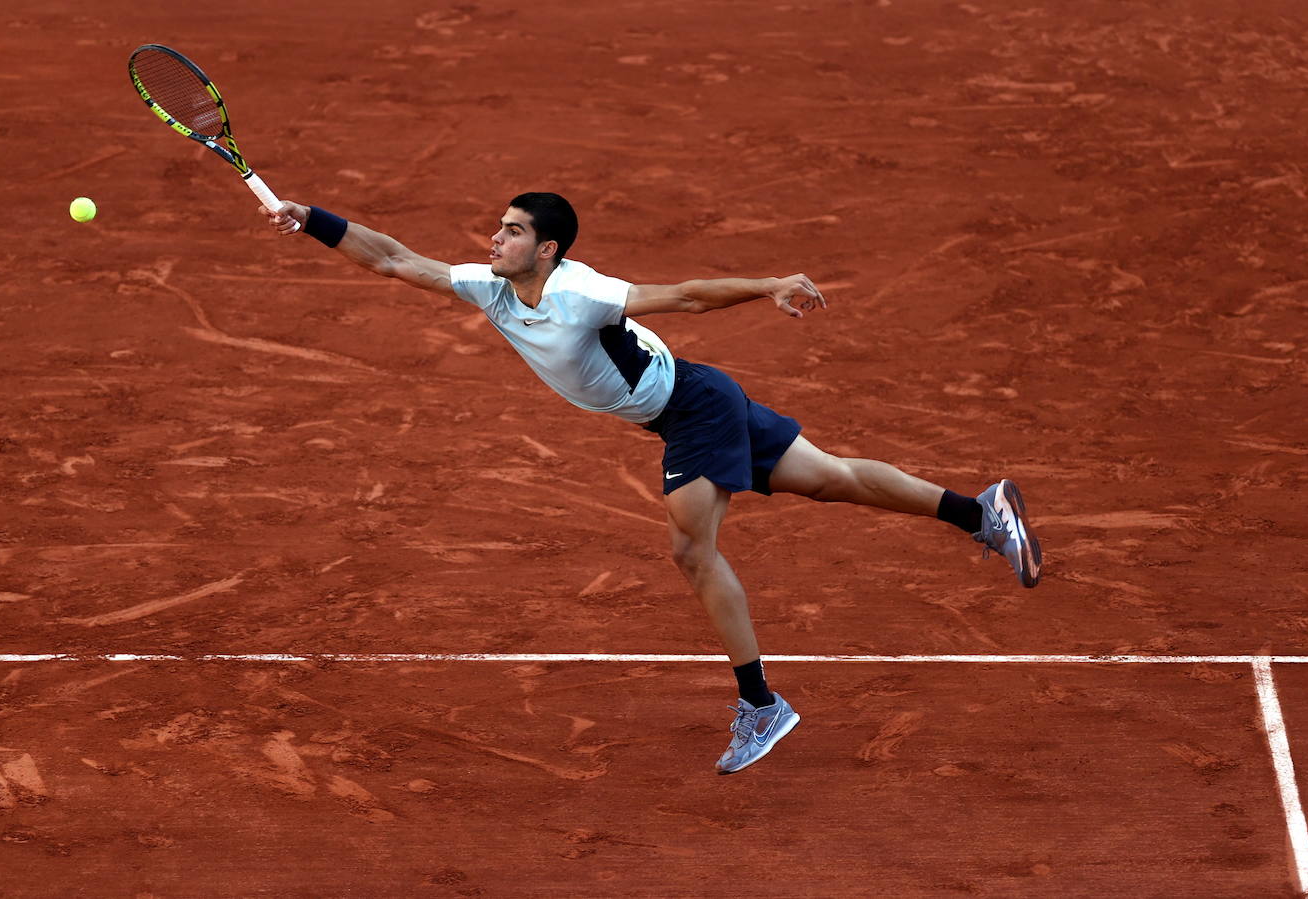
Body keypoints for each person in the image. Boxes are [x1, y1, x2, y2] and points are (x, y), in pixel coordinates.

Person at [260, 192, 1042, 775]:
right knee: (832, 479)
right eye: (499, 228)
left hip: (693, 409)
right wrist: (315, 220)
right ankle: (981, 512)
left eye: (512, 230)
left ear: (548, 248)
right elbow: (394, 258)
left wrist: (767, 281)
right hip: (689, 405)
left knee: (690, 552)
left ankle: (761, 705)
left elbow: (687, 295)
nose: (493, 238)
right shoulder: (491, 287)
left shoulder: (579, 293)